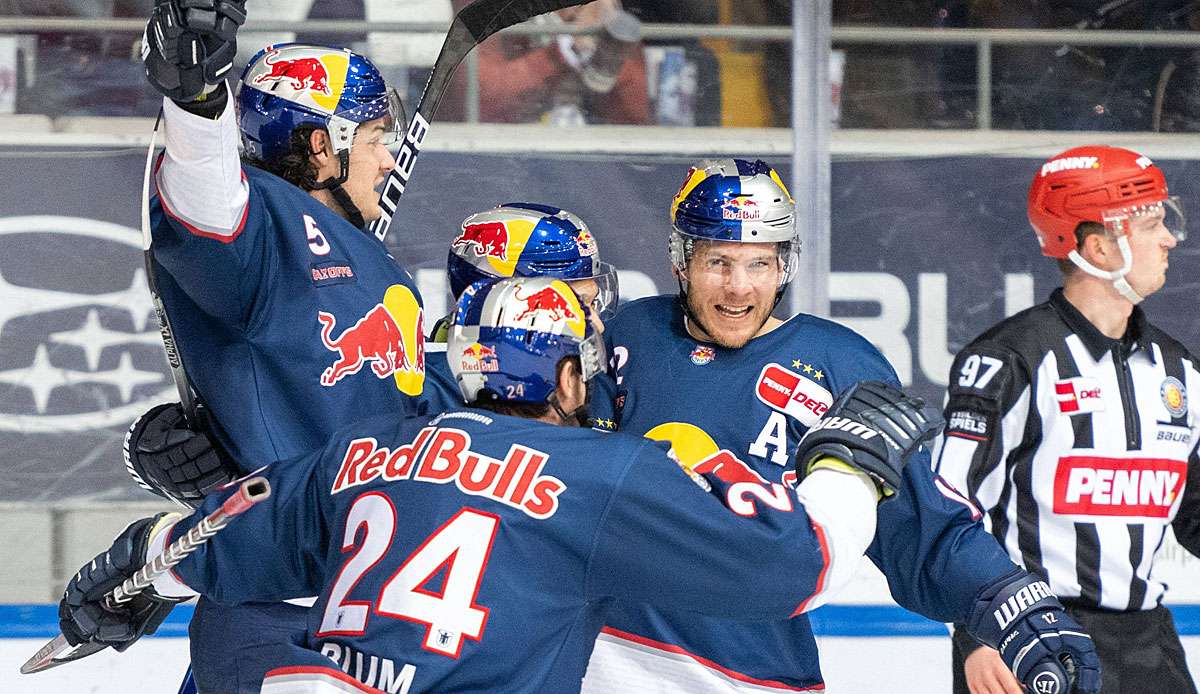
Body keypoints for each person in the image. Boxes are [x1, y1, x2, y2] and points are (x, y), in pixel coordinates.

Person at [57, 276, 940, 693]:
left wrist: (138, 570)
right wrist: (847, 463)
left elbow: (235, 528)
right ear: (565, 379)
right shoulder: (601, 474)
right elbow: (799, 563)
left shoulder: (363, 457)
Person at [581, 158, 1101, 694]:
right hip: (603, 659)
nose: (739, 288)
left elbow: (918, 521)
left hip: (753, 674)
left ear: (785, 266)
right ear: (681, 262)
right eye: (719, 262)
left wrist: (1005, 601)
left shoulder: (839, 365)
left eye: (759, 263)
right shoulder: (629, 335)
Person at [130, 1, 429, 690]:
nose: (388, 156)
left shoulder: (374, 263)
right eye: (378, 134)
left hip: (375, 599)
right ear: (321, 145)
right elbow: (205, 193)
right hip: (284, 604)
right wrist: (198, 100)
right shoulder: (261, 220)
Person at [935, 145, 1200, 694]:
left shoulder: (1180, 370)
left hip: (1150, 645)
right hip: (1032, 637)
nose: (1170, 239)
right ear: (1100, 247)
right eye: (1152, 224)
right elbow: (953, 508)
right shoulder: (1011, 360)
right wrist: (977, 637)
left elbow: (1194, 512)